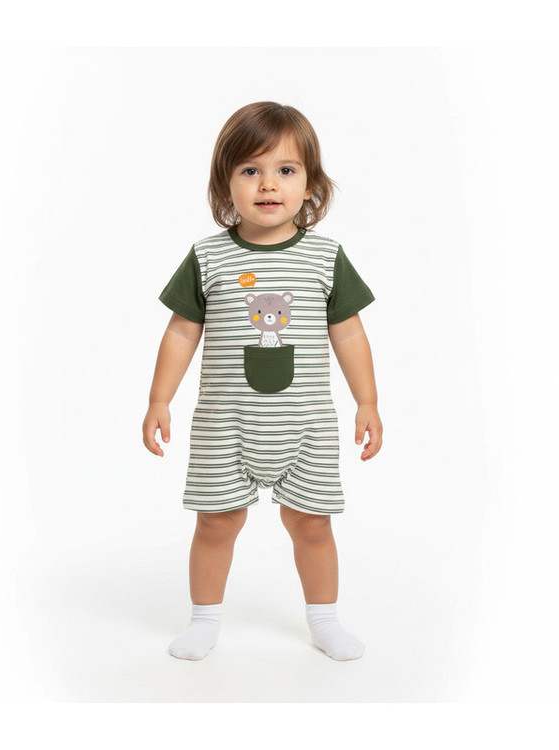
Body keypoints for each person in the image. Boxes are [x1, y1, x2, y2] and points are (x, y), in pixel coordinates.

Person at [142, 101, 383, 661]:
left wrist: (367, 402)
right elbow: (181, 332)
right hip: (225, 427)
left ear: (311, 184)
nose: (268, 183)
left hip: (306, 427)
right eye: (250, 169)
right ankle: (204, 620)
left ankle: (324, 620)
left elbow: (350, 333)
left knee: (313, 525)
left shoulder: (325, 257)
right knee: (216, 523)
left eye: (286, 169)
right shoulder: (208, 257)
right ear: (225, 183)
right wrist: (159, 399)